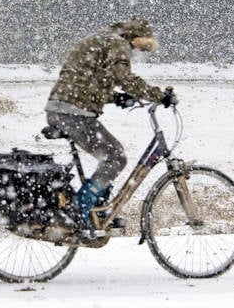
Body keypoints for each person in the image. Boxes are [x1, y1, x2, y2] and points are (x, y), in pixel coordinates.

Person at [44, 18, 176, 231]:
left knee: (111, 155)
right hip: (71, 113)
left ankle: (98, 209)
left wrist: (116, 98)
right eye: (140, 49)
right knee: (115, 157)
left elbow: (85, 82)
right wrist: (158, 95)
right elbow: (125, 79)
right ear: (134, 39)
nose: (136, 54)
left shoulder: (102, 40)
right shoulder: (118, 44)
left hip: (64, 108)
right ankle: (80, 208)